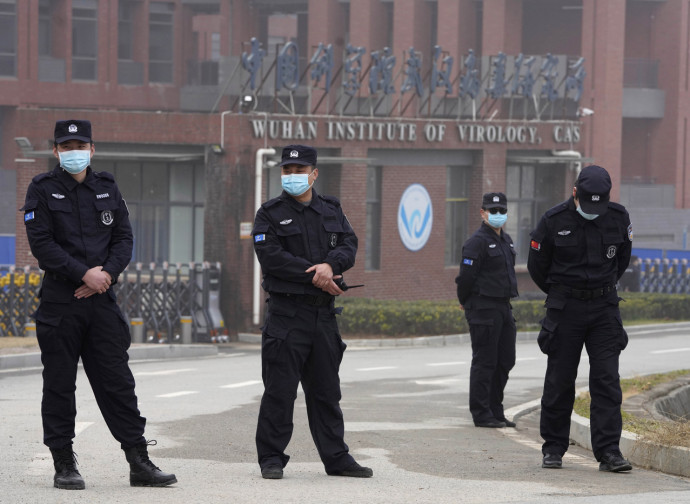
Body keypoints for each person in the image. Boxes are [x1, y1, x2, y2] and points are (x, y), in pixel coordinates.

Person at [21, 120, 176, 490]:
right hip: (61, 301)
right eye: (66, 145)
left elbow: (123, 237)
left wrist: (104, 275)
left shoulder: (107, 187)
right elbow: (41, 245)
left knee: (118, 383)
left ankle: (139, 460)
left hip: (102, 301)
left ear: (92, 149)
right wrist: (83, 274)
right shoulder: (41, 189)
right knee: (59, 385)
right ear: (56, 151)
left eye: (80, 144)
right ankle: (63, 463)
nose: (74, 151)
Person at [251, 144, 373, 480]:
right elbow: (272, 257)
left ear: (314, 173)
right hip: (287, 316)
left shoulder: (332, 210)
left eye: (300, 170)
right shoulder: (269, 213)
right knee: (280, 391)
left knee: (326, 392)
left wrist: (329, 265)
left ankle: (337, 458)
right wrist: (318, 275)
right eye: (287, 171)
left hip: (323, 317)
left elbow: (349, 244)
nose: (292, 176)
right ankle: (271, 458)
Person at [527, 165, 633, 472]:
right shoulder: (553, 220)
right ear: (575, 193)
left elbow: (622, 259)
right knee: (560, 380)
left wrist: (600, 288)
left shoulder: (618, 216)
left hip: (603, 308)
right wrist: (563, 292)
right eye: (588, 204)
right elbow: (537, 266)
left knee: (606, 381)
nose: (593, 211)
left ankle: (609, 452)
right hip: (566, 309)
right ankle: (554, 448)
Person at [455, 192, 518, 429]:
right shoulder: (476, 242)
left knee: (506, 360)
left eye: (502, 211)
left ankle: (496, 410)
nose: (498, 215)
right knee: (485, 362)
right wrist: (465, 300)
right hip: (483, 308)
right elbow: (466, 277)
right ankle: (482, 413)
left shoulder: (506, 240)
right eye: (493, 211)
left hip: (503, 306)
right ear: (482, 213)